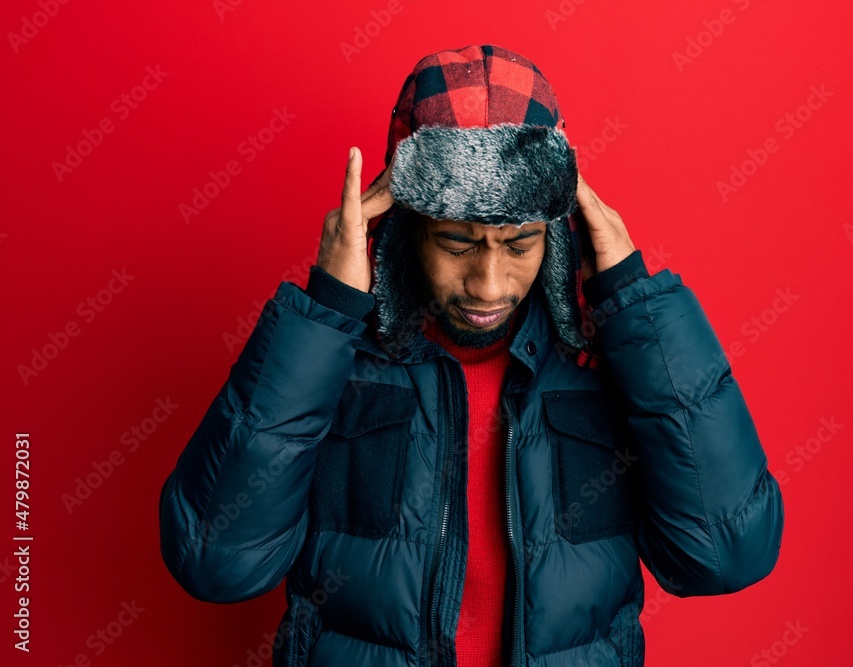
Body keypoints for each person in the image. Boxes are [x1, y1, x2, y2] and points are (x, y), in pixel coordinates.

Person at [158, 44, 784, 667]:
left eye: (520, 244)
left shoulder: (608, 359)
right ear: (403, 227)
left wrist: (635, 301)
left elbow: (727, 555)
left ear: (558, 236)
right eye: (457, 243)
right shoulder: (335, 358)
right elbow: (215, 561)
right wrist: (323, 315)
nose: (489, 284)